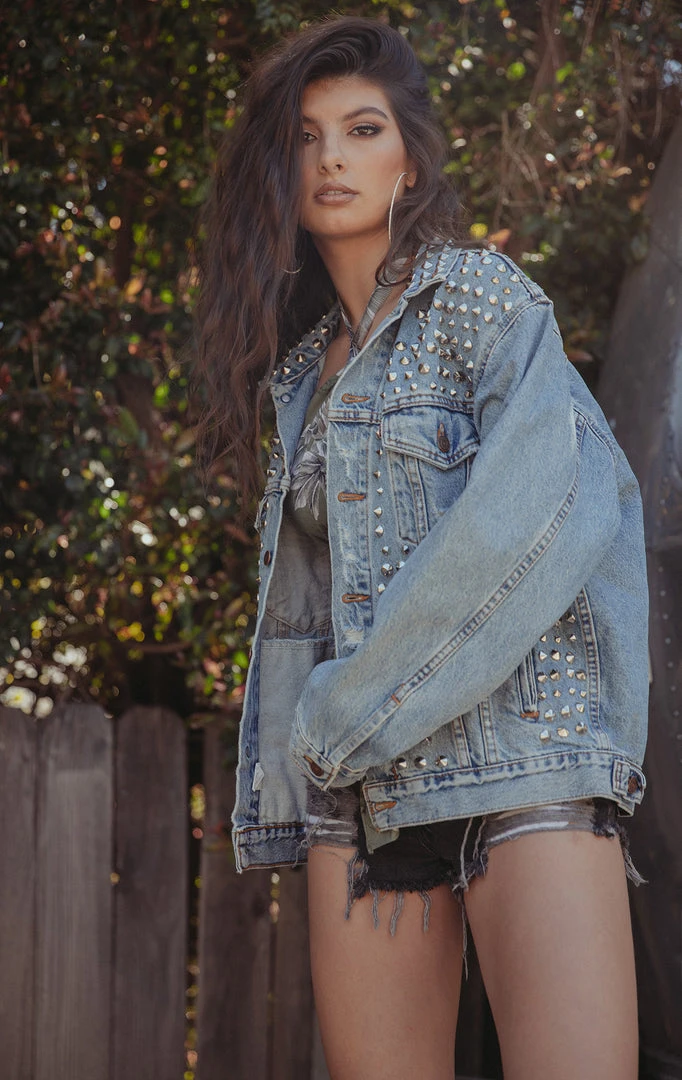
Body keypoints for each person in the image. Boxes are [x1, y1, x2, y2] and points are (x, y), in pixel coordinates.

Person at [192, 16, 648, 1080]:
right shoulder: (297, 377)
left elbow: (554, 511)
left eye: (362, 130)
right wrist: (317, 761)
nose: (332, 158)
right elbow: (310, 611)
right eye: (306, 137)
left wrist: (338, 720)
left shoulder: (480, 299)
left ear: (409, 159)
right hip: (364, 798)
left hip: (523, 756)